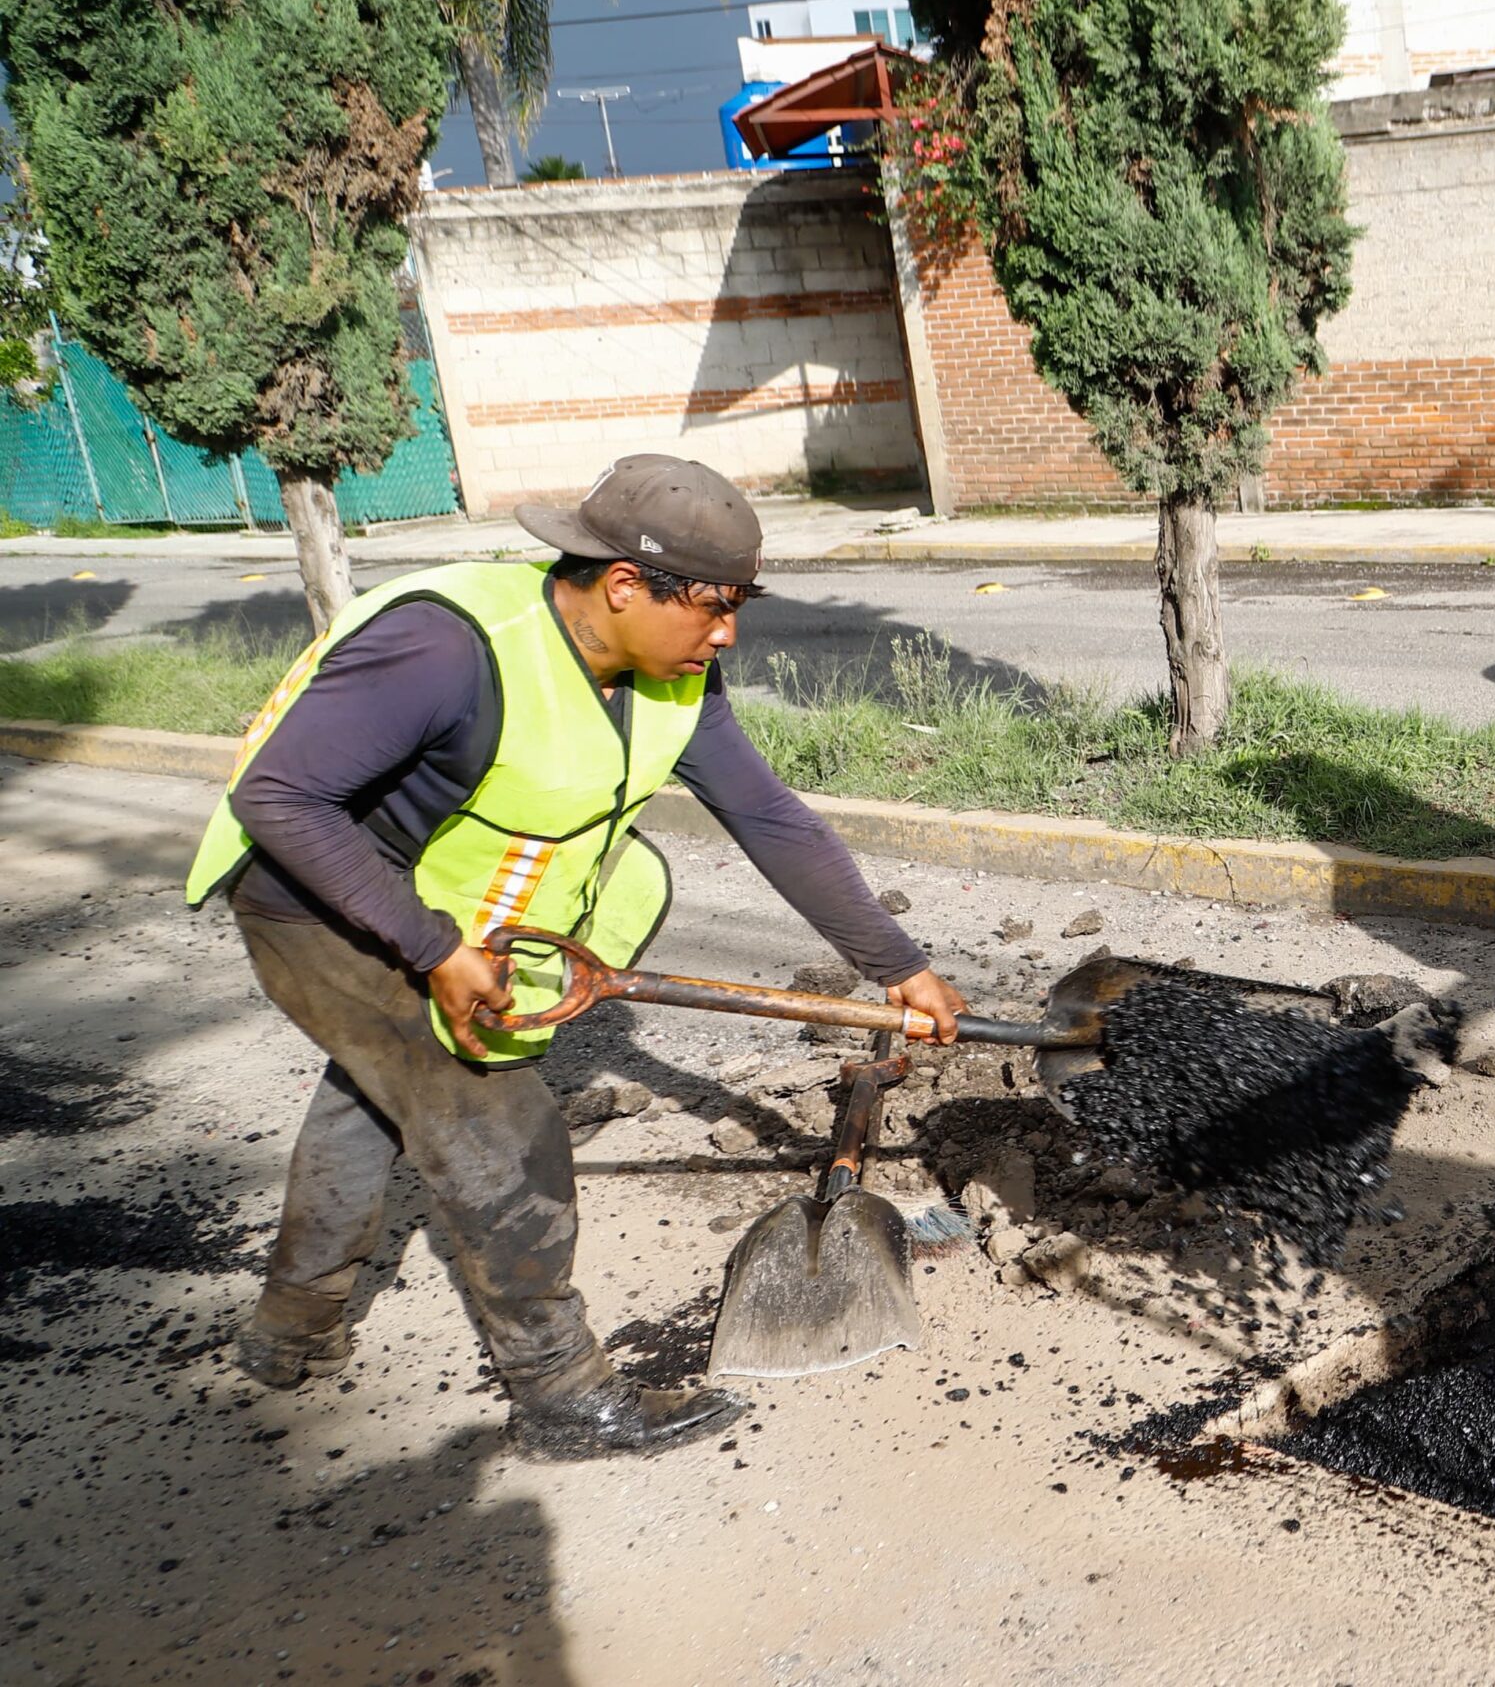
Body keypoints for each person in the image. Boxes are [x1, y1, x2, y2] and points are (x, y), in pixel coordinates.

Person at [186, 455, 970, 1458]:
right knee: (500, 1129)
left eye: (740, 606)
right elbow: (280, 799)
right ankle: (564, 1396)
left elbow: (768, 816)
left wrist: (894, 964)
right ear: (624, 585)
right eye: (714, 607)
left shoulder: (668, 673)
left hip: (440, 901)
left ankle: (290, 1334)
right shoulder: (447, 644)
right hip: (316, 902)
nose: (727, 632)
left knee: (373, 1092)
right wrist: (432, 948)